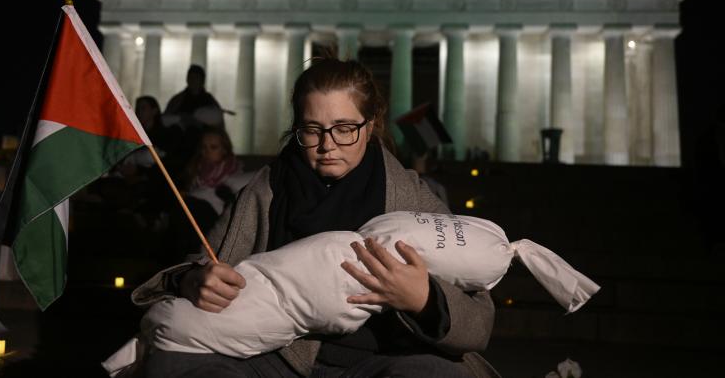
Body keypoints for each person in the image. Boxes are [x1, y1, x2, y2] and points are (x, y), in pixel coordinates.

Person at [132, 57, 499, 378]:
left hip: (383, 358)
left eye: (344, 128)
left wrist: (425, 298)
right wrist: (196, 279)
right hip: (276, 357)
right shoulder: (265, 191)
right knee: (170, 365)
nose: (327, 146)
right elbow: (199, 263)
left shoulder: (411, 196)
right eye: (312, 129)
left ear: (369, 126)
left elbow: (478, 321)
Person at [182, 126, 246, 215]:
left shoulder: (234, 171)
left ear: (224, 150)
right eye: (204, 147)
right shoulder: (195, 167)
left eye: (213, 147)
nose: (207, 151)